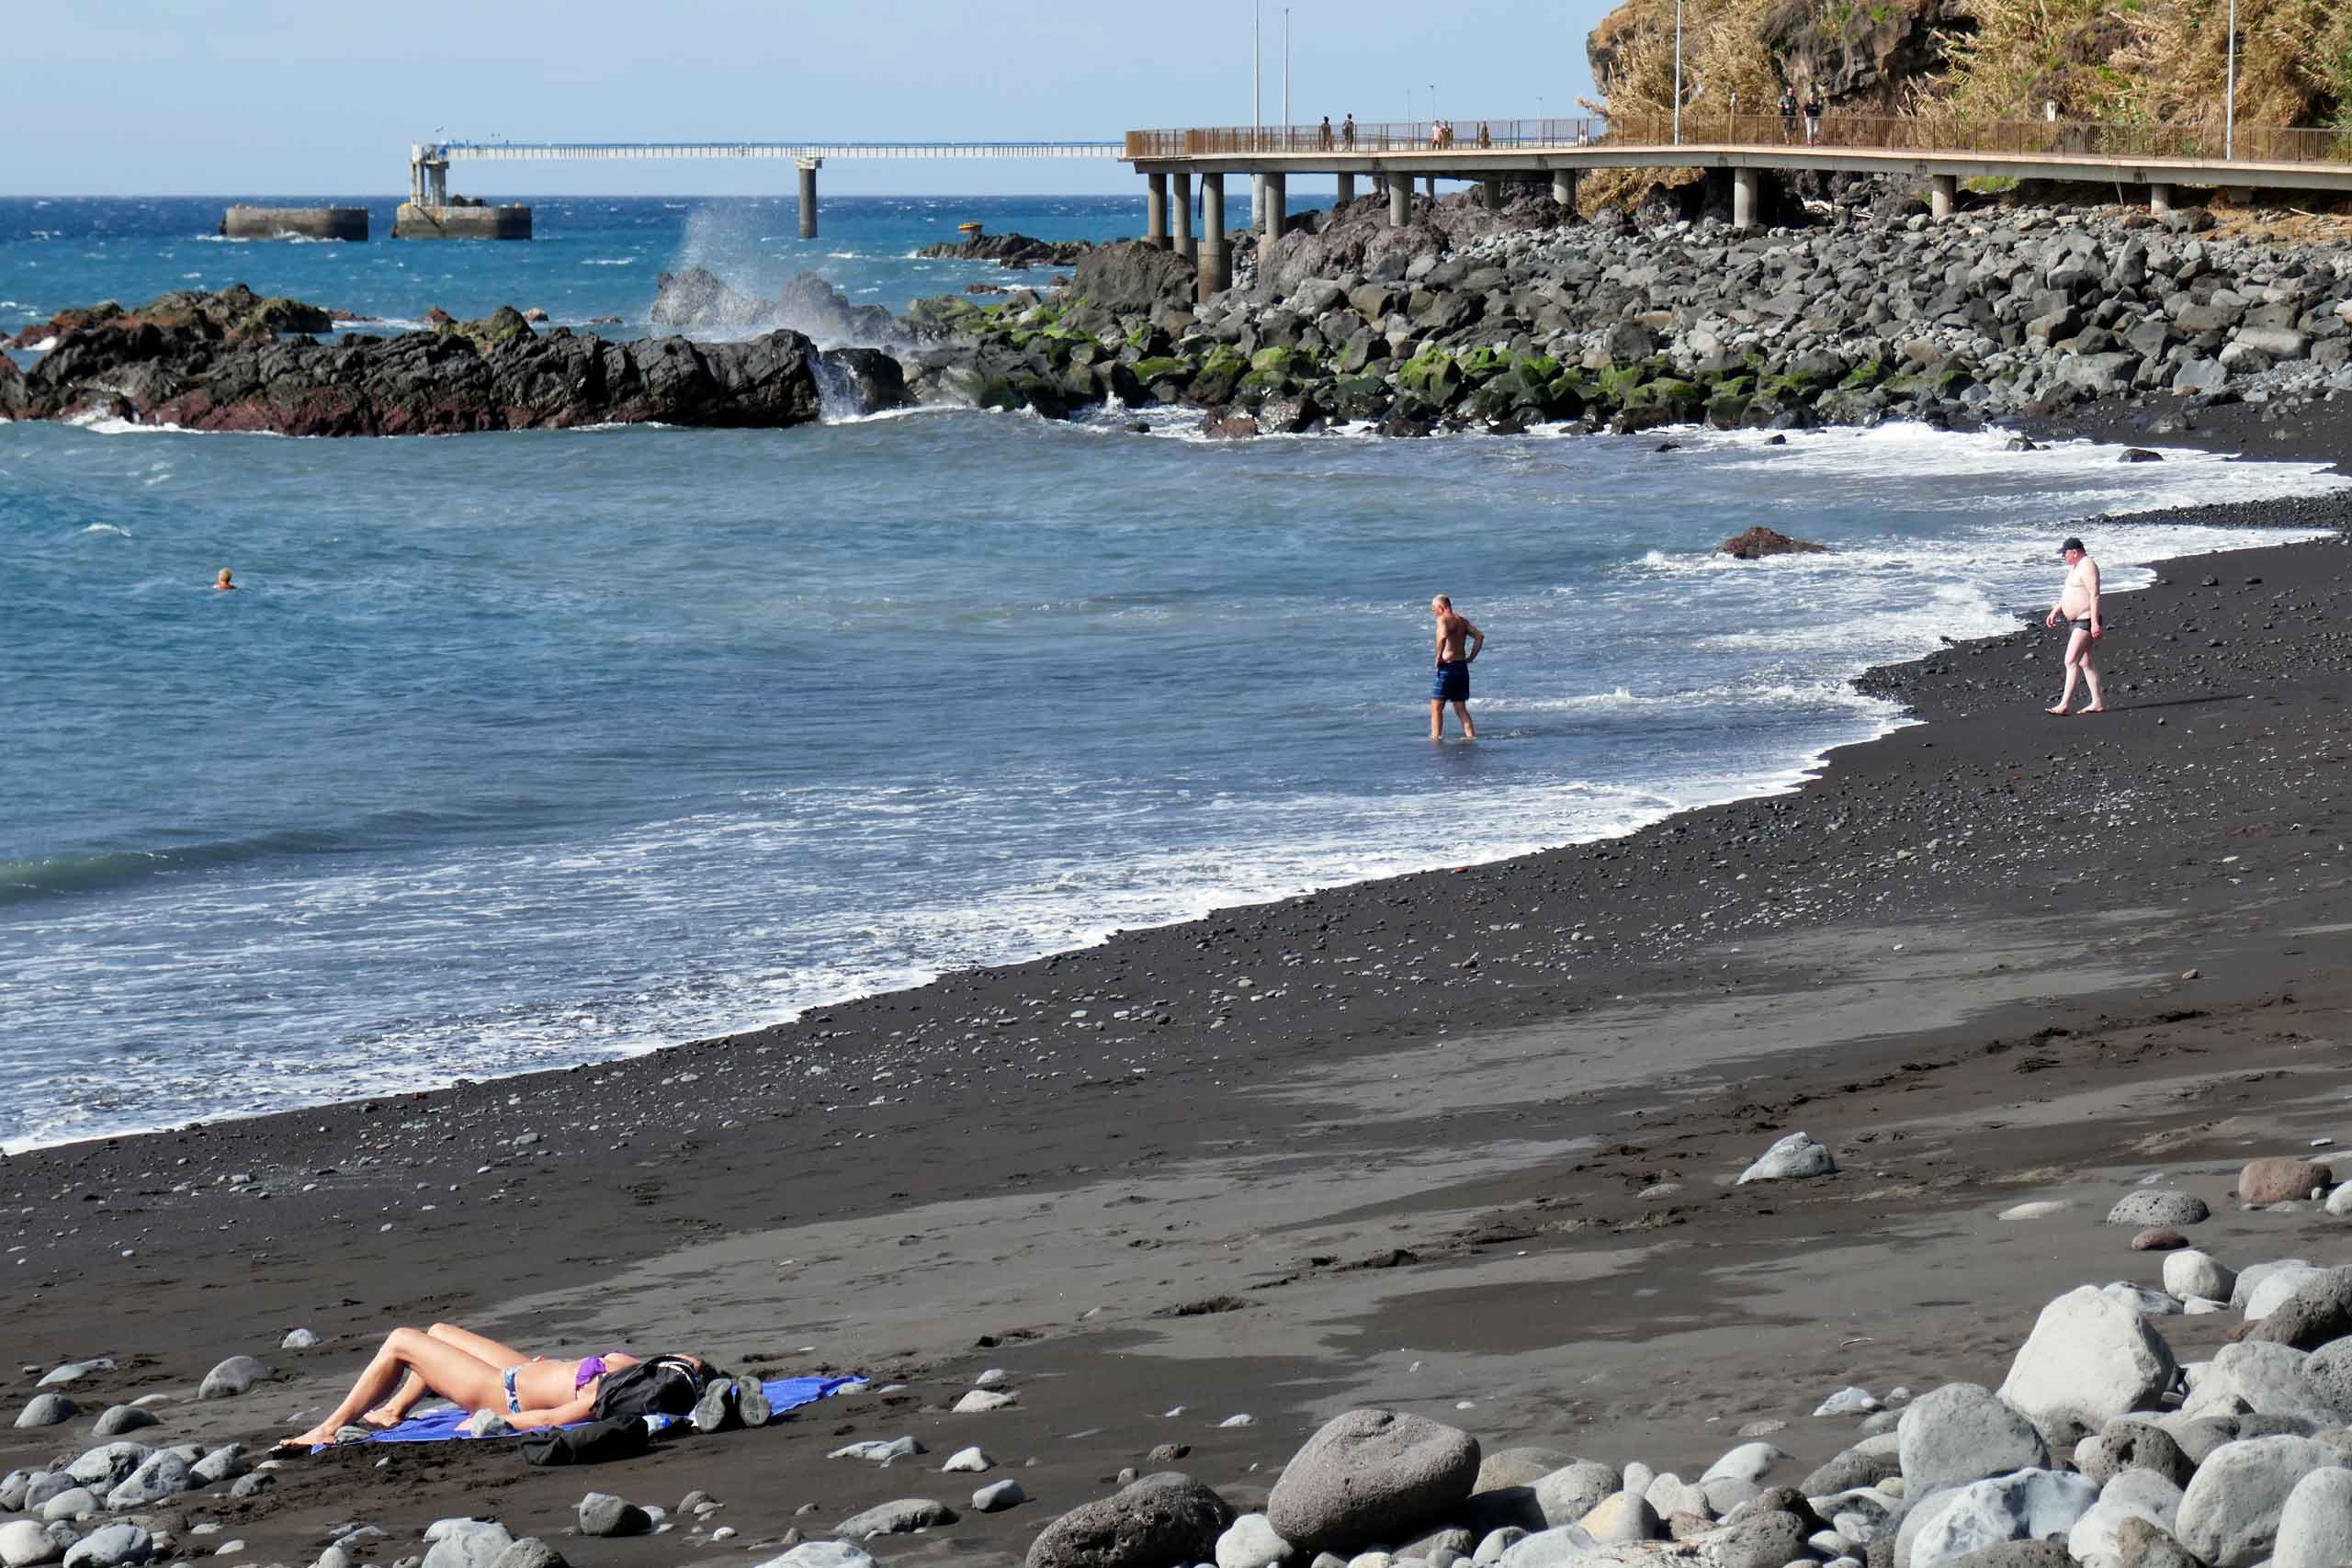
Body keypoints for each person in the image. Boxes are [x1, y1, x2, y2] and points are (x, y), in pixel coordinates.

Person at [277, 1323, 681, 1449]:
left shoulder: (599, 1398)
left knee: (402, 1340)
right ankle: (391, 1411)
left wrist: (489, 1422)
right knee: (437, 1332)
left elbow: (548, 1418)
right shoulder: (631, 1369)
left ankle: (328, 1428)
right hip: (522, 1370)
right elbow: (684, 1366)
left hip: (498, 1390)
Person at [2043, 536, 2104, 715]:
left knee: (2070, 660)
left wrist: (2094, 624)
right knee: (2085, 662)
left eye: (2065, 553)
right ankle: (2097, 702)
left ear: (2074, 552)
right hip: (2075, 620)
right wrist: (2056, 610)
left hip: (2086, 620)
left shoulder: (2087, 565)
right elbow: (2069, 592)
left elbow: (2095, 595)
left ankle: (2064, 705)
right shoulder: (2074, 568)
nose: (2063, 557)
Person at [1429, 593, 1485, 740]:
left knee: (1436, 707)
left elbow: (1443, 636)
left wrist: (1438, 657)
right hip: (1461, 667)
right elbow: (1479, 636)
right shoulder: (1462, 621)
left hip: (1448, 667)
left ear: (1441, 608)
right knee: (1460, 707)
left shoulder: (1442, 619)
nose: (1433, 612)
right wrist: (1471, 658)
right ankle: (1471, 737)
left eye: (1434, 609)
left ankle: (1436, 738)